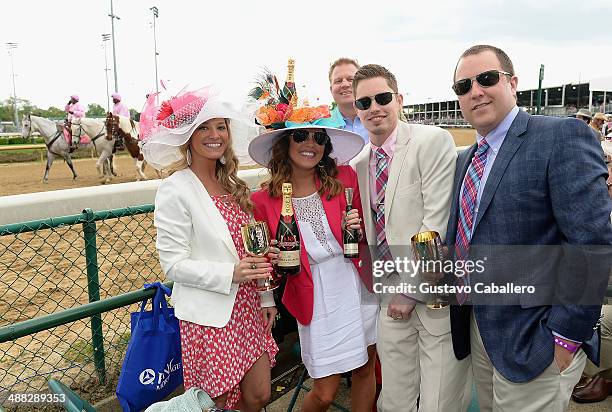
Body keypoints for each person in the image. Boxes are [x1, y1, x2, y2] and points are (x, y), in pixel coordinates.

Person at [447, 44, 612, 411]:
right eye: (463, 86)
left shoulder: (561, 136)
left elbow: (591, 244)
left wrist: (566, 335)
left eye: (487, 78)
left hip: (537, 338)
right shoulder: (466, 159)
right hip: (479, 329)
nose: (475, 91)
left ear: (513, 83)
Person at [142, 87, 279, 411]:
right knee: (212, 403)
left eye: (220, 126)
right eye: (204, 127)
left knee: (259, 395)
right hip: (210, 315)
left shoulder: (232, 184)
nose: (214, 135)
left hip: (247, 307)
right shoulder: (175, 189)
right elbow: (173, 265)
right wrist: (231, 273)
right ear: (187, 134)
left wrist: (265, 295)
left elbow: (248, 249)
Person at [350, 64, 468, 412]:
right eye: (364, 102)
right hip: (387, 296)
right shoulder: (358, 163)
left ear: (399, 99)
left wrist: (411, 288)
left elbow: (437, 220)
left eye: (383, 98)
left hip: (431, 297)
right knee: (394, 400)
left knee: (438, 403)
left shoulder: (431, 140)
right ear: (355, 110)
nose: (375, 107)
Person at [249, 106, 378, 412]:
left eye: (319, 138)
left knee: (365, 369)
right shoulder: (262, 199)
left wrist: (357, 230)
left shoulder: (344, 177)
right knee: (325, 392)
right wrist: (273, 268)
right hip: (314, 293)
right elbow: (263, 260)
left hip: (356, 283)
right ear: (285, 144)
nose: (311, 144)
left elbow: (363, 236)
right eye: (301, 136)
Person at [328, 58, 369, 143]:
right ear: (331, 89)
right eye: (338, 81)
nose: (345, 84)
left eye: (351, 79)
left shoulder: (379, 119)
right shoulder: (320, 125)